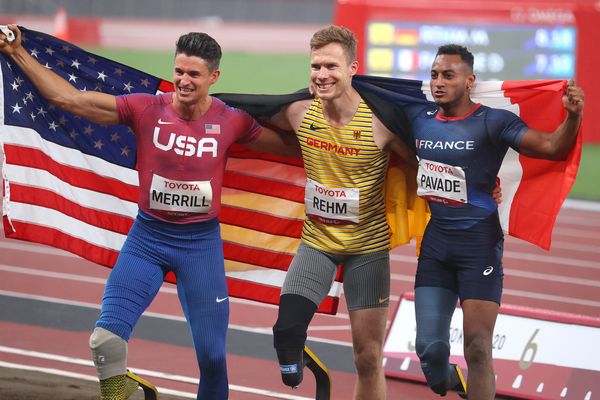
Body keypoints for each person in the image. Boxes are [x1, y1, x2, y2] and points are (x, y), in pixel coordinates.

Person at [0, 25, 298, 400]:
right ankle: (116, 394)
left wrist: (359, 142)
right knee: (104, 341)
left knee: (212, 358)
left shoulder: (231, 120)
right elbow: (72, 100)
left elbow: (291, 149)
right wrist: (17, 53)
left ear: (214, 77)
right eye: (179, 72)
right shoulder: (144, 109)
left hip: (200, 248)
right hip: (147, 241)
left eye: (193, 74)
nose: (184, 81)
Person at [407, 44, 584, 399]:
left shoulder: (494, 121)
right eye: (434, 75)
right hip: (436, 246)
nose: (438, 82)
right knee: (429, 349)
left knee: (477, 347)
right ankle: (451, 382)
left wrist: (573, 117)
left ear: (469, 81)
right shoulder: (418, 118)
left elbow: (552, 147)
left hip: (479, 249)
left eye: (448, 75)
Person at [267, 25, 419, 400]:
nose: (322, 75)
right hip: (317, 244)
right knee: (286, 332)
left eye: (331, 66)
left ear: (353, 68)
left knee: (367, 357)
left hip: (367, 250)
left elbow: (423, 164)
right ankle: (296, 373)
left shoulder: (382, 123)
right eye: (316, 66)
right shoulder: (298, 112)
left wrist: (480, 187)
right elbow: (243, 127)